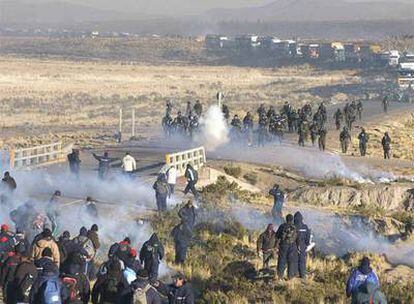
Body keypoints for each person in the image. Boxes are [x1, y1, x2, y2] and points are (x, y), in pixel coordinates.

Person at [275, 214, 298, 279]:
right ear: (292, 219)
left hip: (283, 245)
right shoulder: (295, 227)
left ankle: (279, 276)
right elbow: (296, 237)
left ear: (286, 219)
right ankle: (290, 276)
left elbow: (277, 235)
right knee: (291, 261)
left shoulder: (282, 226)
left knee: (282, 260)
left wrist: (277, 244)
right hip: (292, 246)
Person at [293, 212, 311, 279]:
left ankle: (295, 274)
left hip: (294, 246)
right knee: (302, 261)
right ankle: (302, 275)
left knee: (294, 260)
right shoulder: (305, 227)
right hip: (303, 246)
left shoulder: (293, 226)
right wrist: (306, 245)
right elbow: (308, 237)